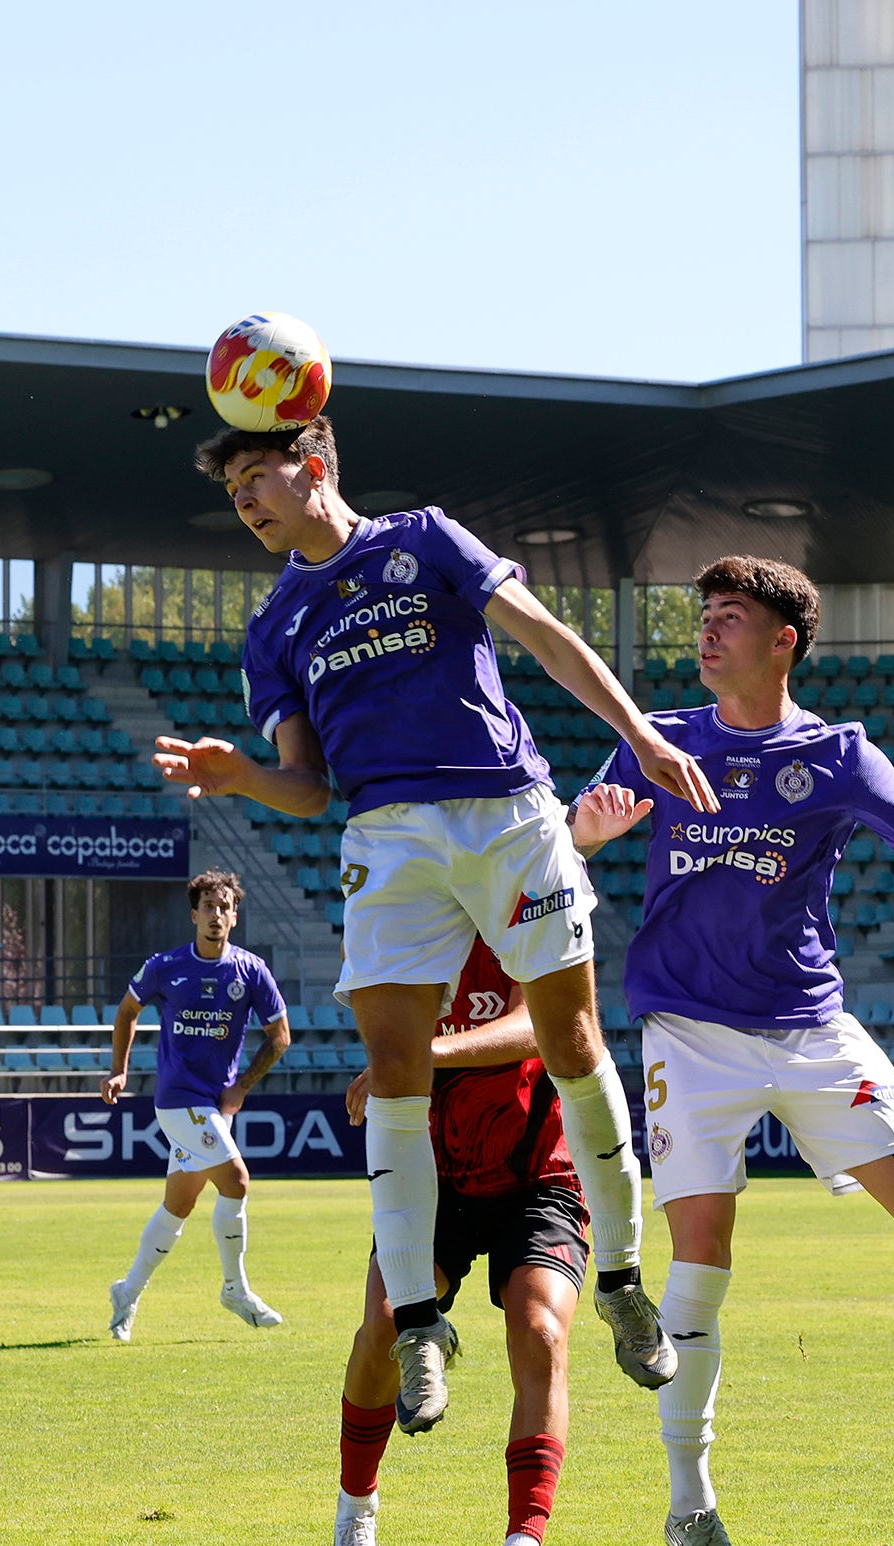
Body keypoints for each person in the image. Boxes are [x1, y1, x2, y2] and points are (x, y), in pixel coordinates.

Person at [157, 414, 719, 1436]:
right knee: (398, 1068)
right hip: (386, 831)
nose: (243, 498)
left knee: (573, 1041)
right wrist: (238, 775)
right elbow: (306, 787)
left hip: (507, 809)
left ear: (314, 464)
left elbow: (544, 634)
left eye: (255, 474)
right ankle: (419, 1319)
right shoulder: (273, 626)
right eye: (231, 485)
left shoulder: (427, 538)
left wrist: (637, 733)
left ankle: (625, 1280)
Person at [573, 555, 894, 1546]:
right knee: (701, 1252)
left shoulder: (837, 754)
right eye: (703, 617)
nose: (707, 633)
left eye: (729, 618)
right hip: (686, 1033)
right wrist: (585, 836)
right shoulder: (661, 739)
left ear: (784, 639)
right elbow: (564, 841)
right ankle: (689, 1503)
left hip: (811, 1026)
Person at [330, 933, 588, 1546]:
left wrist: (430, 1051)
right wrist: (406, 1056)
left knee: (540, 1331)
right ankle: (357, 1508)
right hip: (431, 1172)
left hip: (538, 1172)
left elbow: (541, 1024)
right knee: (386, 1323)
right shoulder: (403, 911)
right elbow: (385, 1038)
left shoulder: (521, 900)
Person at [104, 867, 291, 1339]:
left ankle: (127, 1291)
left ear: (234, 917)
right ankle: (235, 1288)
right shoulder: (166, 965)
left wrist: (243, 1085)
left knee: (177, 1206)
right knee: (237, 1181)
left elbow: (280, 1037)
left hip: (214, 1105)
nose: (216, 915)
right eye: (208, 906)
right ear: (194, 915)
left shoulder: (251, 971)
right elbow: (128, 1010)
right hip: (177, 1099)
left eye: (224, 907)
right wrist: (119, 1069)